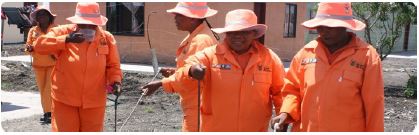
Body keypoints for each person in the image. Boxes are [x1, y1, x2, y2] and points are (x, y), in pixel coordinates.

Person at [144, 9, 285, 131]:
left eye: (244, 32)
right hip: (215, 127)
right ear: (226, 33)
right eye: (232, 32)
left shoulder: (269, 59)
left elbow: (281, 91)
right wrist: (190, 71)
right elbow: (186, 69)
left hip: (255, 129)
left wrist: (284, 115)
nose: (237, 36)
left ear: (254, 33)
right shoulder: (210, 55)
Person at [271, 2, 384, 132]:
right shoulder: (305, 53)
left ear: (344, 26)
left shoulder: (367, 56)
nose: (324, 31)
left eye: (330, 26)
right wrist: (286, 112)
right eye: (320, 26)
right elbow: (292, 89)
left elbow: (374, 106)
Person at [33, 2, 122, 132]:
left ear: (97, 22)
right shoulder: (63, 32)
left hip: (94, 101)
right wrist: (66, 39)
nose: (87, 26)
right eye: (83, 23)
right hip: (65, 99)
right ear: (76, 22)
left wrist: (115, 82)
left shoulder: (106, 38)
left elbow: (113, 66)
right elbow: (39, 45)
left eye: (91, 24)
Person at [141, 2, 218, 132]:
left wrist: (161, 83)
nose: (175, 18)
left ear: (193, 18)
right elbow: (192, 70)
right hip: (195, 103)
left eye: (179, 15)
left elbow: (194, 76)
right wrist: (174, 73)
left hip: (199, 105)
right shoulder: (197, 36)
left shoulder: (200, 40)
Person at [24, 6, 57, 124]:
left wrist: (54, 54)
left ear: (49, 17)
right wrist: (29, 48)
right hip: (38, 65)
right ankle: (47, 113)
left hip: (52, 65)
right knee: (42, 90)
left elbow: (59, 46)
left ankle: (50, 113)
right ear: (37, 18)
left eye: (44, 14)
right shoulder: (33, 31)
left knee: (49, 89)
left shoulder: (55, 30)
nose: (42, 17)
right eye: (39, 15)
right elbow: (27, 47)